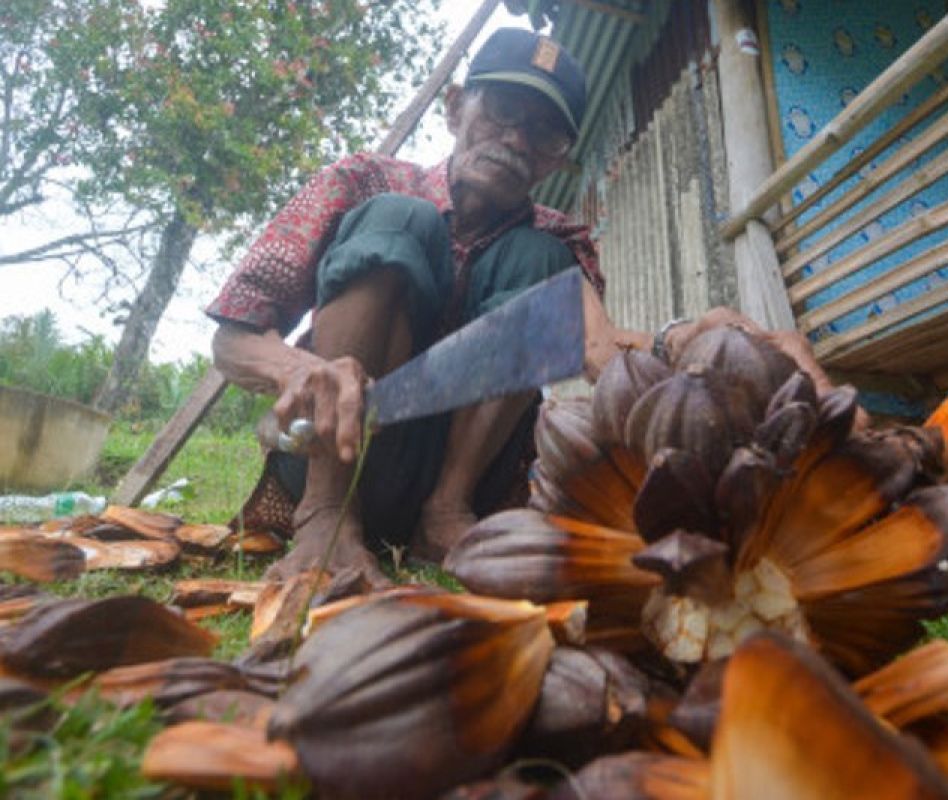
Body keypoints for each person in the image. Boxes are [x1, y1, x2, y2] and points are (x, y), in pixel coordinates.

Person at [208, 29, 834, 586]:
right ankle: (325, 516)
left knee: (539, 262)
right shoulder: (362, 182)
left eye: (544, 132)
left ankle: (445, 516)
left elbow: (598, 349)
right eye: (502, 110)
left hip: (469, 479)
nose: (516, 140)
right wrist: (300, 370)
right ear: (455, 108)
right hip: (333, 448)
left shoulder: (560, 239)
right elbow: (233, 337)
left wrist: (703, 339)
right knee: (402, 220)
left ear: (559, 157)